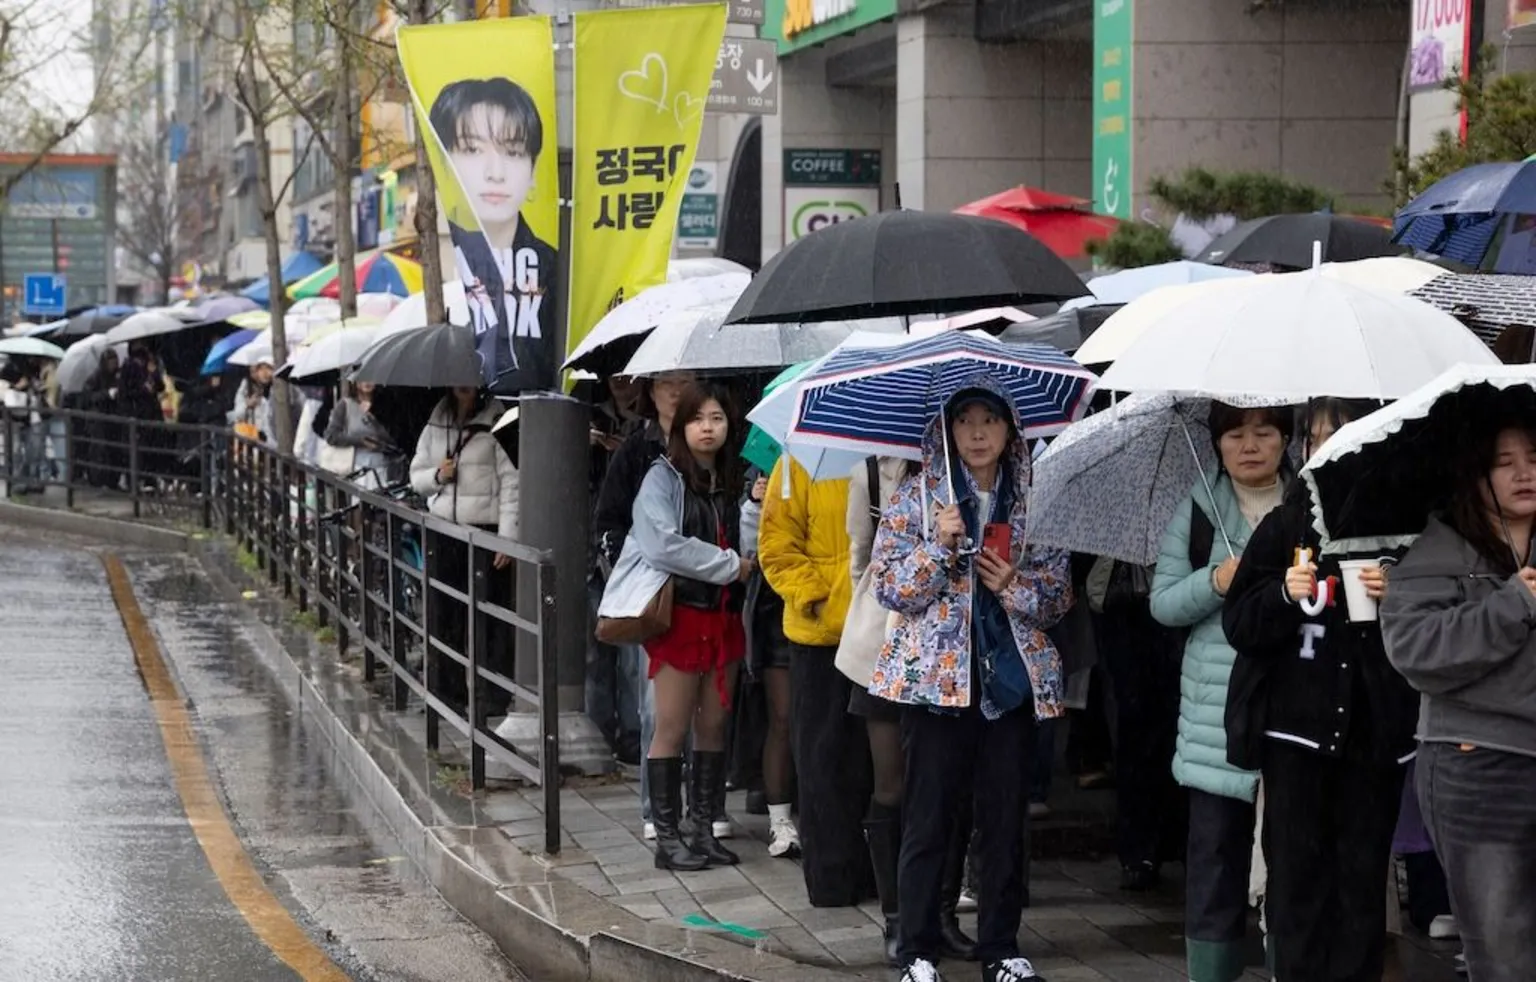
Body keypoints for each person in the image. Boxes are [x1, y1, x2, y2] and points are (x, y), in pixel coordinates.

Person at [870, 383, 1072, 982]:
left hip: (1009, 684)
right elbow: (888, 586)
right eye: (965, 421)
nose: (978, 433)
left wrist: (1013, 583)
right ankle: (917, 952)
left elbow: (1059, 596)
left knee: (1005, 819)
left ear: (1011, 431)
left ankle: (1001, 949)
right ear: (946, 430)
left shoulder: (1038, 501)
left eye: (991, 420)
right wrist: (939, 546)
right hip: (937, 687)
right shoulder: (918, 497)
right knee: (929, 819)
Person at [1221, 398, 1417, 982]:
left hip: (1375, 734)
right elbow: (1240, 622)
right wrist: (1283, 592)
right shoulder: (1288, 523)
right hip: (1296, 735)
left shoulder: (1408, 527)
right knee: (1296, 884)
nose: (1331, 451)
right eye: (1320, 440)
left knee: (1360, 886)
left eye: (1346, 438)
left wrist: (1399, 594)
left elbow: (1436, 614)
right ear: (1305, 449)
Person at [1382, 417, 1536, 981]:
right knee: (1503, 951)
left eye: (1534, 458)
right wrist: (1512, 604)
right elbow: (1416, 650)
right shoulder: (1439, 551)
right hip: (1479, 764)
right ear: (1474, 475)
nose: (1524, 473)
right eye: (1504, 462)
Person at [1149, 402, 1291, 982]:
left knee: (1290, 861)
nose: (1250, 445)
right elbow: (1161, 604)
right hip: (1216, 723)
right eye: (1235, 434)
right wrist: (1216, 580)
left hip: (1291, 708)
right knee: (1214, 861)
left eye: (1264, 432)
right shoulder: (1199, 509)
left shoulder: (1309, 503)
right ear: (1217, 444)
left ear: (1286, 439)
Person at [602, 382, 752, 871]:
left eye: (716, 418)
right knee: (670, 726)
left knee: (714, 725)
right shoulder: (661, 479)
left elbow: (753, 544)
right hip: (680, 617)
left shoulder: (732, 480)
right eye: (697, 419)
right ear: (681, 427)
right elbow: (662, 544)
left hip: (724, 616)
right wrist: (728, 565)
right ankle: (667, 837)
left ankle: (702, 827)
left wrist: (753, 504)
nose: (707, 428)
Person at [843, 454, 977, 966]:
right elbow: (862, 558)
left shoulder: (971, 478)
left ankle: (942, 914)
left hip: (951, 657)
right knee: (892, 786)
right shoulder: (873, 475)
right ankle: (899, 916)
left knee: (950, 786)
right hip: (886, 644)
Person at [591, 372, 709, 839]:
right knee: (653, 706)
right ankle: (656, 811)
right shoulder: (637, 451)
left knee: (702, 708)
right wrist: (635, 565)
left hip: (703, 593)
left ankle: (700, 810)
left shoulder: (708, 446)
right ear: (651, 391)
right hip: (654, 595)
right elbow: (608, 518)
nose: (676, 390)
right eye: (666, 383)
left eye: (684, 381)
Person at [760, 452, 872, 908]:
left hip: (876, 632)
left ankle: (878, 874)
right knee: (823, 758)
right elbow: (776, 544)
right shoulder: (797, 462)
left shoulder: (892, 458)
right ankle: (830, 879)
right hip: (818, 634)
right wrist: (814, 597)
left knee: (873, 763)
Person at [428, 77, 557, 394]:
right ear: (445, 166)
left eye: (513, 152)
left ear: (533, 171)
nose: (495, 172)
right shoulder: (441, 277)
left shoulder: (556, 268)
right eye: (472, 149)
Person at [410, 386, 519, 715]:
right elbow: (417, 475)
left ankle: (493, 697)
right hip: (445, 530)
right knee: (445, 614)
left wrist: (507, 536)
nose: (463, 384)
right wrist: (438, 476)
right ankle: (448, 692)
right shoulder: (437, 419)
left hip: (484, 531)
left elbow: (513, 481)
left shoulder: (498, 418)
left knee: (490, 617)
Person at [325, 380, 398, 488]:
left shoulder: (385, 405)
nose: (367, 382)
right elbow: (331, 436)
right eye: (362, 378)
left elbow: (395, 437)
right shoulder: (345, 405)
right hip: (355, 466)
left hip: (382, 466)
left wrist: (373, 418)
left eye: (371, 377)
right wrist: (360, 441)